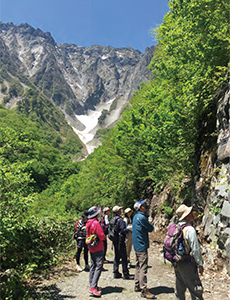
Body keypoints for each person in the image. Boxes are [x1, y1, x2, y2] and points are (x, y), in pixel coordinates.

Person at [174, 204, 204, 300]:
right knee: (196, 290)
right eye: (190, 212)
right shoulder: (189, 229)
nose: (192, 214)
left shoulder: (175, 226)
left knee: (180, 290)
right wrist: (200, 263)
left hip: (177, 261)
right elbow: (195, 249)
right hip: (187, 263)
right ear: (186, 215)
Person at [132, 200, 156, 299]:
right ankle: (144, 289)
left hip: (137, 245)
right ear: (140, 207)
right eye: (143, 205)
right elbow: (150, 228)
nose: (145, 206)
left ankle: (137, 284)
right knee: (143, 267)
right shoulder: (141, 217)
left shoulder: (135, 217)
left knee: (138, 265)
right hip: (141, 245)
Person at [86, 206, 106, 297]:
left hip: (91, 247)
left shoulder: (88, 223)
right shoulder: (96, 223)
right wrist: (104, 238)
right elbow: (101, 235)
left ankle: (92, 284)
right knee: (98, 266)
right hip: (98, 247)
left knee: (93, 265)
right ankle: (93, 287)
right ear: (96, 214)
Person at [111, 205, 132, 279]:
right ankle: (125, 273)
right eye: (120, 210)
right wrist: (128, 229)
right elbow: (123, 230)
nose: (121, 211)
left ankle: (115, 272)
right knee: (124, 257)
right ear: (117, 211)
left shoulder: (112, 219)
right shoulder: (120, 220)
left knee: (117, 256)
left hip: (115, 240)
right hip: (120, 240)